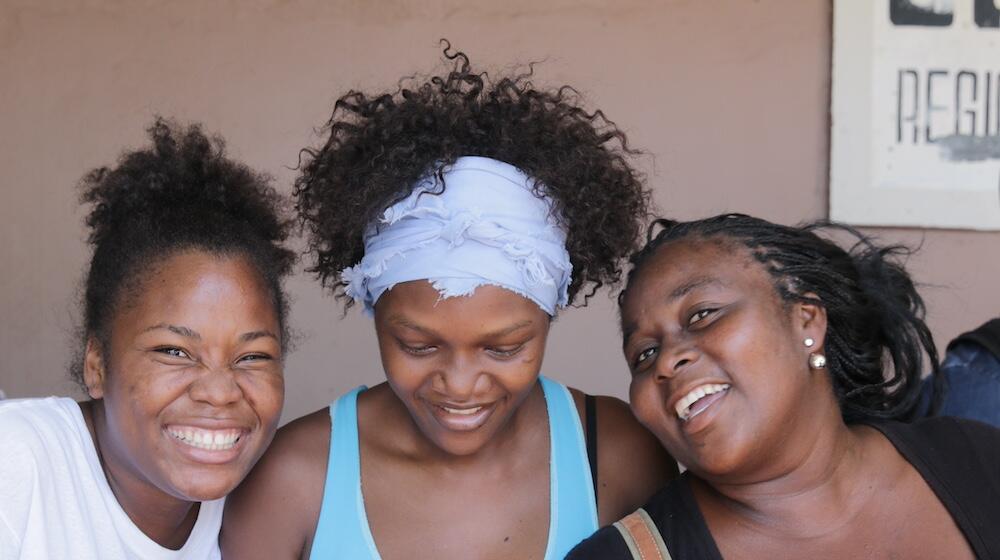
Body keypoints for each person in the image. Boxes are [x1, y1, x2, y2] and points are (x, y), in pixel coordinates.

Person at [222, 46, 677, 560]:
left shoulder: (617, 455)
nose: (460, 384)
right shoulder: (295, 480)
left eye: (503, 348)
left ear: (549, 316)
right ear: (374, 313)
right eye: (417, 345)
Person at [569, 214, 1000, 559]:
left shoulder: (976, 458)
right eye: (643, 354)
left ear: (806, 321)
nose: (665, 361)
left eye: (702, 315)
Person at [0, 120, 296, 559]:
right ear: (97, 365)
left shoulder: (261, 511)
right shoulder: (15, 463)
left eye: (252, 356)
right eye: (174, 351)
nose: (219, 392)